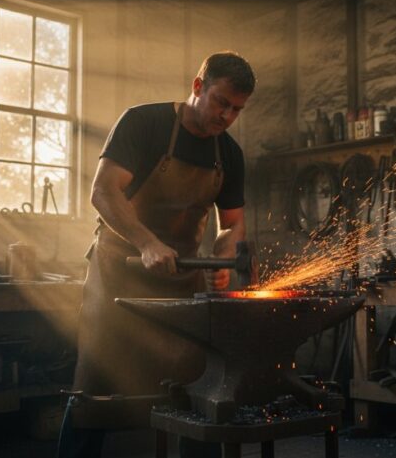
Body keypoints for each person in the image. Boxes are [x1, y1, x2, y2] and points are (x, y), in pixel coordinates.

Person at [58, 51, 255, 458]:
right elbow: (103, 191)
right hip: (119, 273)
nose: (226, 116)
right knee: (95, 386)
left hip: (181, 280)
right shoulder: (144, 123)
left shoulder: (229, 154)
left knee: (195, 387)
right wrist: (146, 242)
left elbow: (232, 223)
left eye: (236, 109)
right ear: (198, 86)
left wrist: (223, 250)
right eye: (221, 102)